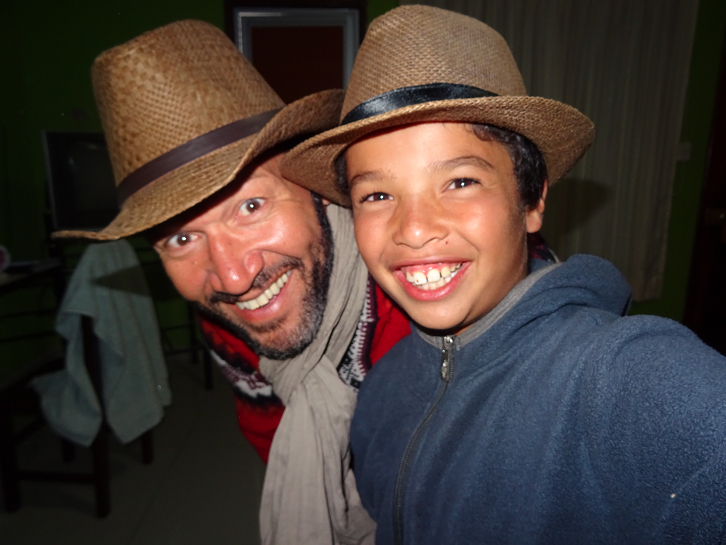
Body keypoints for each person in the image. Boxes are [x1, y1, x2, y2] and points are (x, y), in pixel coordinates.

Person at [281, 5, 726, 544]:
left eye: (460, 182)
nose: (414, 230)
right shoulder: (380, 388)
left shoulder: (622, 375)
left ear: (532, 200)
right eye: (376, 195)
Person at [52, 19, 415, 545]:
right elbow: (269, 430)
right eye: (182, 239)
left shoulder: (415, 277)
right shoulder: (230, 313)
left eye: (250, 206)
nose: (234, 277)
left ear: (313, 183)